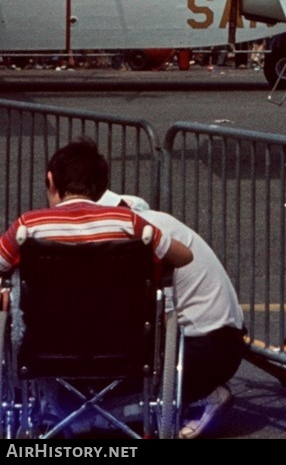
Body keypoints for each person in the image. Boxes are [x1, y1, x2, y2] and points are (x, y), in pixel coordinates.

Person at [96, 190, 243, 439]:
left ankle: (203, 396)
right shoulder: (146, 221)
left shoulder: (135, 237)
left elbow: (143, 314)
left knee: (107, 401)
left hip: (205, 348)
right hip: (219, 339)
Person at [0, 139, 191, 282]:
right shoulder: (127, 220)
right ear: (101, 188)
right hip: (116, 329)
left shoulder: (30, 224)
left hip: (46, 330)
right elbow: (184, 257)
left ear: (50, 180)